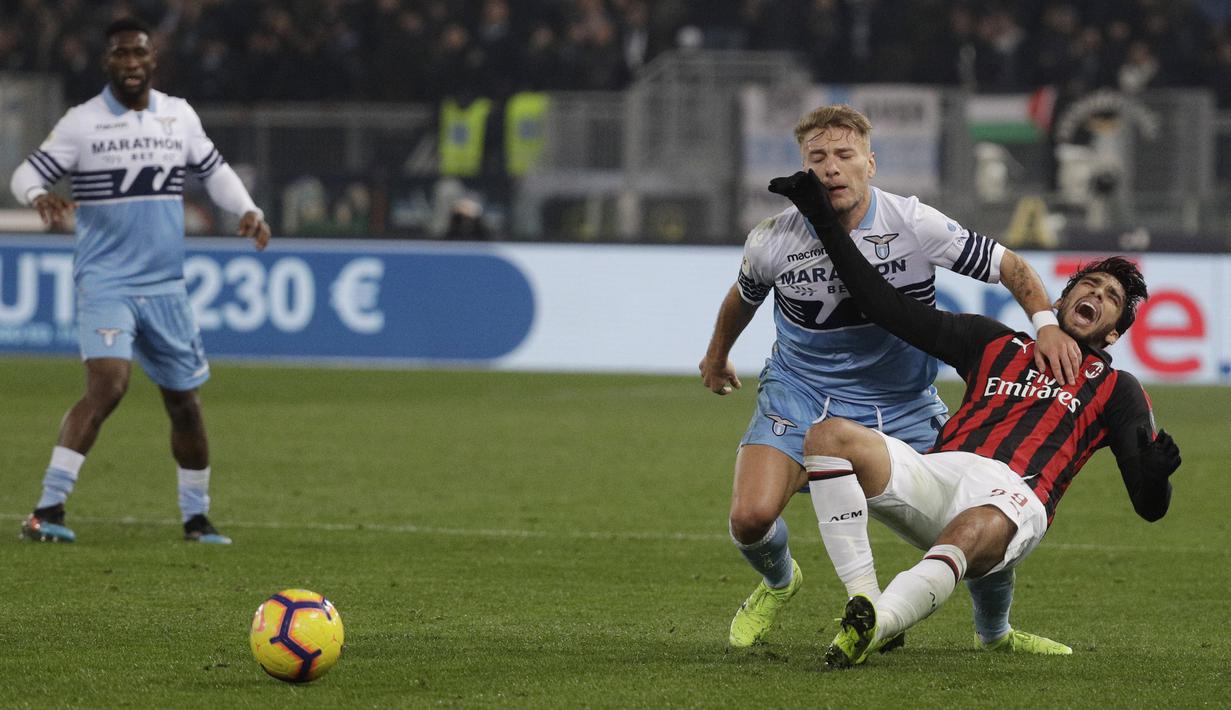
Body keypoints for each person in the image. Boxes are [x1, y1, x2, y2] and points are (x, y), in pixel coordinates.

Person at [700, 104, 1081, 653]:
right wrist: (717, 357)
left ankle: (994, 634)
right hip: (802, 392)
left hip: (904, 404)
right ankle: (780, 582)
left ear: (870, 164)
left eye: (844, 155)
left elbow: (1011, 266)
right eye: (818, 157)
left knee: (979, 518)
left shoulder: (913, 223)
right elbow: (743, 299)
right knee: (751, 517)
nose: (831, 168)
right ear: (804, 168)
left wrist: (1045, 325)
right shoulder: (771, 239)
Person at [765, 169, 1180, 667]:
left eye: (1112, 298)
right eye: (1088, 286)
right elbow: (883, 306)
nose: (1097, 295)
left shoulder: (1119, 390)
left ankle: (878, 627)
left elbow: (1149, 507)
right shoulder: (993, 341)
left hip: (1016, 496)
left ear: (1113, 334)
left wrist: (1156, 476)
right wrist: (823, 220)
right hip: (942, 471)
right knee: (828, 435)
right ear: (1061, 301)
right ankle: (865, 600)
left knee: (975, 529)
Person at [9, 17, 271, 544]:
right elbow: (26, 173)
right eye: (120, 55)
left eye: (139, 54)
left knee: (184, 403)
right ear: (107, 62)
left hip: (166, 287)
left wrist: (247, 208)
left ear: (154, 60)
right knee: (108, 384)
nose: (130, 63)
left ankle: (196, 519)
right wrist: (39, 196)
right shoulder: (82, 123)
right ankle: (47, 511)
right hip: (106, 282)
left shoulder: (178, 116)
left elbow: (215, 170)